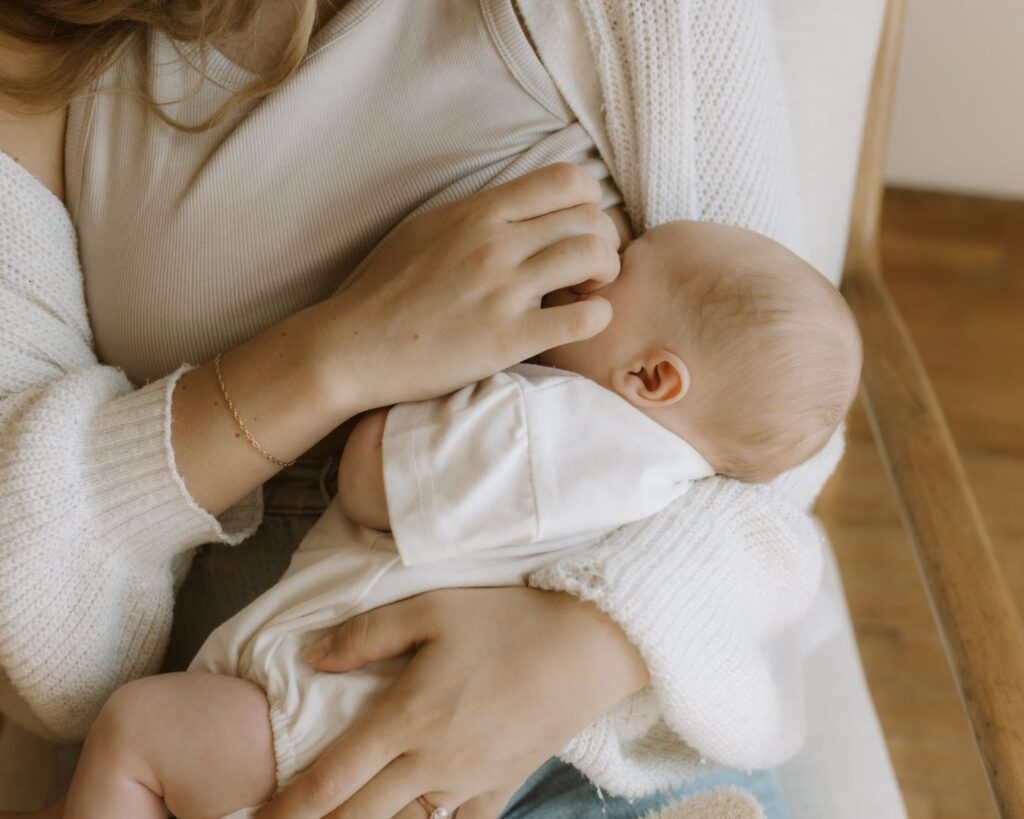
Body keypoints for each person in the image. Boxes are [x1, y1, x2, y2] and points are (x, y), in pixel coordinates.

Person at [0, 2, 823, 817]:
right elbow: (33, 613)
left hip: (581, 742)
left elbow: (777, 420)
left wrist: (581, 651)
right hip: (241, 737)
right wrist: (336, 355)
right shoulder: (35, 39)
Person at [32, 219, 860, 818]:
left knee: (137, 732)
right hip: (435, 756)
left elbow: (368, 480)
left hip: (321, 713)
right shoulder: (674, 480)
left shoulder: (545, 424)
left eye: (624, 261)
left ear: (650, 377)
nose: (602, 251)